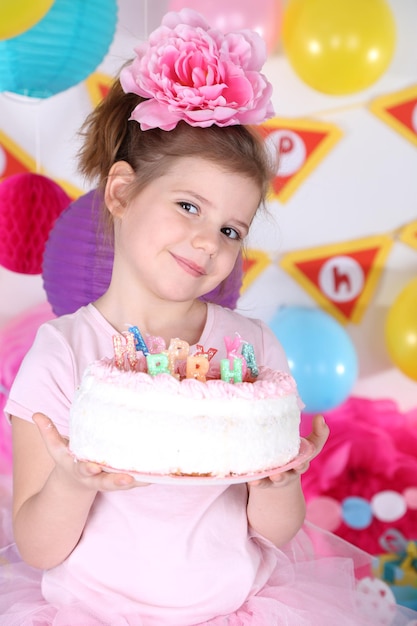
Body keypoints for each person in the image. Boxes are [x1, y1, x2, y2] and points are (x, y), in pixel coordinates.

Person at [0, 9, 416, 626]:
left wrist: (277, 481)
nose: (208, 243)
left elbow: (275, 531)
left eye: (230, 228)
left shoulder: (250, 354)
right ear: (120, 193)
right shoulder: (61, 352)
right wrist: (70, 482)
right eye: (188, 205)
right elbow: (38, 546)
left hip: (235, 609)